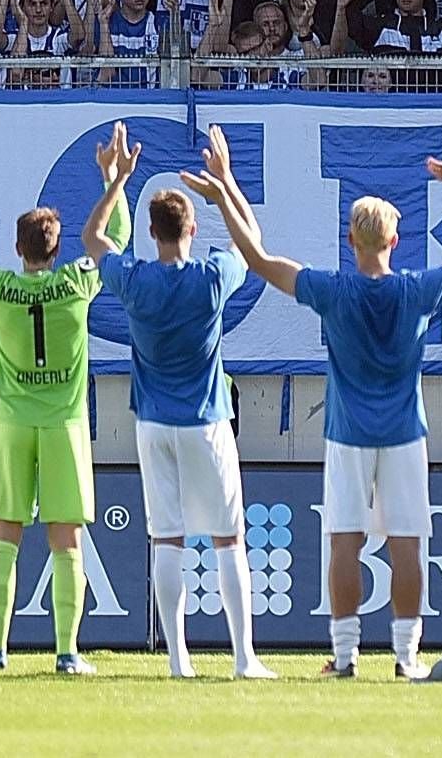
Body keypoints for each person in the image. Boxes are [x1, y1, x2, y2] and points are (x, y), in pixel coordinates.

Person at [220, 131, 442, 681]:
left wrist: (228, 185)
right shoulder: (418, 289)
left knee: (344, 543)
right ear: (395, 241)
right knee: (407, 546)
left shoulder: (332, 290)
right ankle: (406, 657)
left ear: (351, 239)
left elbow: (256, 259)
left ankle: (346, 657)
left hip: (348, 432)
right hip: (403, 431)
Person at [92, 123, 274, 679]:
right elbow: (254, 243)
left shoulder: (137, 279)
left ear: (149, 232)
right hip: (207, 420)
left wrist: (114, 182)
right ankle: (243, 658)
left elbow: (94, 240)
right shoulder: (212, 275)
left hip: (153, 424)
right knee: (228, 538)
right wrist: (227, 184)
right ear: (193, 226)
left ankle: (178, 659)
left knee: (166, 538)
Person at [0, 136, 110, 676]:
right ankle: (66, 652)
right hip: (63, 424)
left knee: (3, 535)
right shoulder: (78, 283)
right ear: (57, 250)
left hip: (11, 423)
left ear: (19, 248)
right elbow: (115, 240)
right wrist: (113, 180)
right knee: (67, 541)